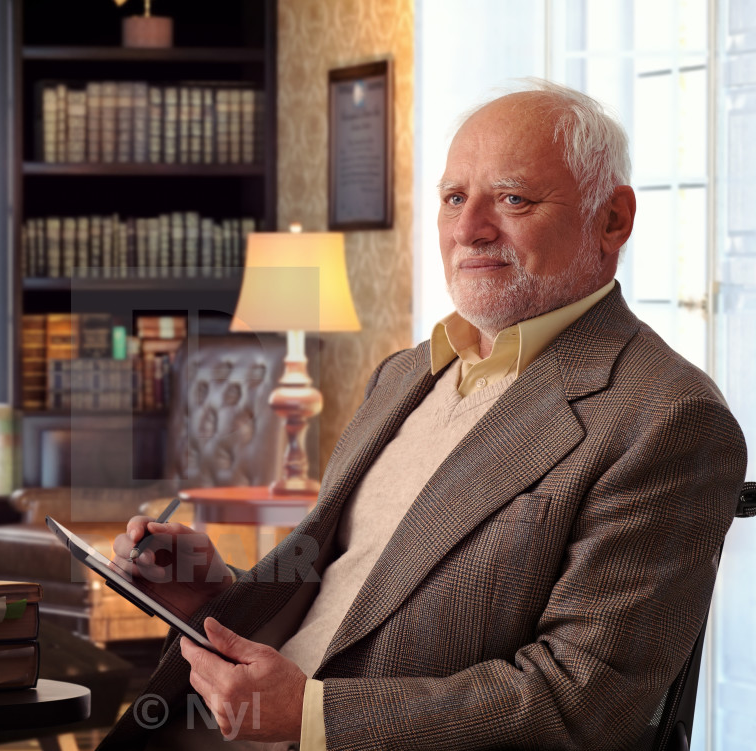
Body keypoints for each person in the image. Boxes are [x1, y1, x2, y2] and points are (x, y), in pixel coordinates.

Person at [97, 80, 748, 751]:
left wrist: (314, 717)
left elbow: (581, 699)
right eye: (454, 198)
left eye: (514, 198)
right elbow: (356, 612)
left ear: (612, 219)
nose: (469, 229)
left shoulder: (668, 418)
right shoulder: (406, 373)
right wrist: (212, 598)